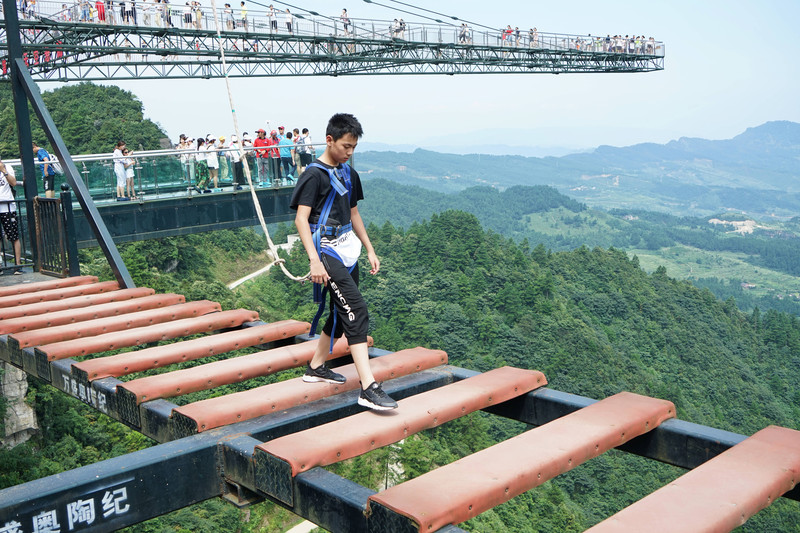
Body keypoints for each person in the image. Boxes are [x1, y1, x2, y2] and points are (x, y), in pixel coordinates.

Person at [290, 113, 397, 411]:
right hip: (324, 249)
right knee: (357, 309)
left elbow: (354, 214)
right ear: (330, 140)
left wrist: (370, 249)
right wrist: (314, 261)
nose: (350, 152)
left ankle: (316, 366)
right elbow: (301, 219)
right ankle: (368, 387)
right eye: (346, 146)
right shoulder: (313, 175)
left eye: (354, 147)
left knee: (340, 313)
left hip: (347, 246)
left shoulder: (349, 173)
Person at [0, 159, 23, 275]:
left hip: (8, 207)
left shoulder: (7, 167)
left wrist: (3, 171)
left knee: (13, 236)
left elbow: (13, 183)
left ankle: (17, 265)